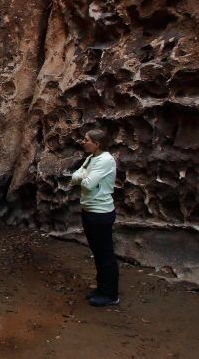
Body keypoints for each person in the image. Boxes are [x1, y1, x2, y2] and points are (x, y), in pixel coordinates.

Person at [70, 128, 119, 307]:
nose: (83, 142)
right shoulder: (91, 158)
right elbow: (74, 176)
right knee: (98, 252)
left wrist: (82, 177)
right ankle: (102, 288)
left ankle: (111, 294)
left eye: (86, 140)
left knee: (105, 253)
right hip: (89, 210)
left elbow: (89, 184)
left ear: (97, 144)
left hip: (101, 212)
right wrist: (82, 176)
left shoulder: (106, 160)